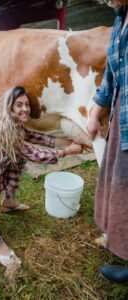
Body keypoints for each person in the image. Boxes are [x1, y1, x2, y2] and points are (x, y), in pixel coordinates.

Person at [0, 86, 83, 268]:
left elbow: (40, 138)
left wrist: (77, 143)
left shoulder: (16, 126)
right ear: (8, 107)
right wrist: (67, 151)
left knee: (16, 159)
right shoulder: (3, 127)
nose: (25, 109)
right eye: (19, 105)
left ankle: (8, 202)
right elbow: (36, 154)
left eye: (26, 104)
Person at [87, 0, 128, 283]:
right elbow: (111, 76)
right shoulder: (119, 20)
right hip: (121, 115)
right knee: (120, 185)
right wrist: (95, 112)